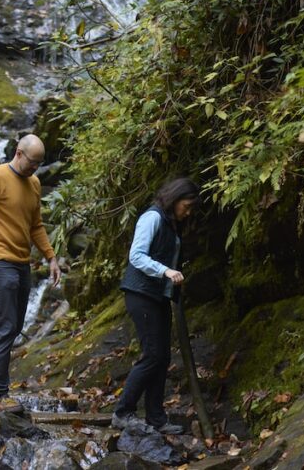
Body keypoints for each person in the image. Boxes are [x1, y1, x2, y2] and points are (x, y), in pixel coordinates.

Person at [0, 134, 62, 413]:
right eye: (32, 162)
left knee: (11, 327)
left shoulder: (34, 183)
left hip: (21, 263)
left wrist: (51, 257)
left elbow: (36, 225)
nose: (35, 169)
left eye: (40, 164)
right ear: (18, 153)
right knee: (6, 327)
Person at [111, 177, 200, 434]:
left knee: (162, 357)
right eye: (187, 205)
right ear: (175, 199)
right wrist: (166, 272)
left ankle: (156, 418)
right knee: (152, 354)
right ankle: (122, 412)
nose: (189, 211)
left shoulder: (171, 224)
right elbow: (136, 255)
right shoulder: (152, 218)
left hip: (158, 296)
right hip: (141, 294)